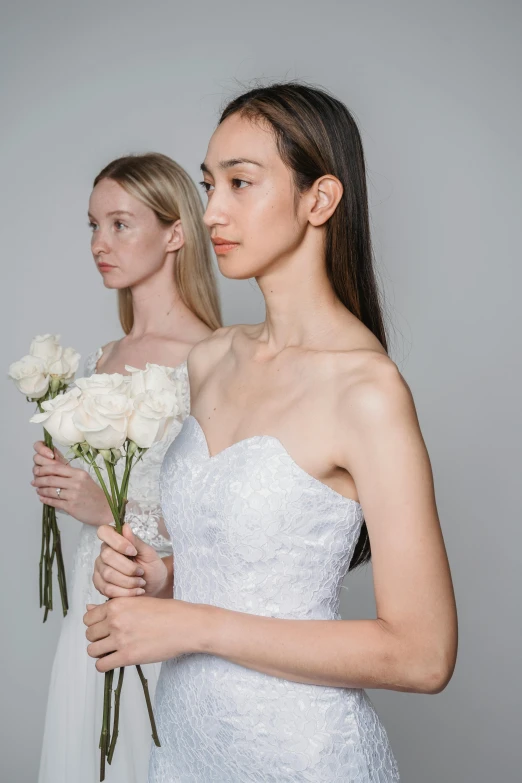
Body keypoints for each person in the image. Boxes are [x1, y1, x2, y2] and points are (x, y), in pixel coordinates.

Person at [87, 84, 458, 782]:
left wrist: (195, 625)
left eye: (240, 183)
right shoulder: (210, 359)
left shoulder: (367, 391)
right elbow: (241, 566)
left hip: (302, 757)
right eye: (207, 184)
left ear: (319, 200)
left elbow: (424, 654)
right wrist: (160, 579)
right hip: (185, 748)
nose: (212, 212)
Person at [33, 152, 221, 783]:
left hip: (160, 611)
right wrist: (62, 479)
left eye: (119, 224)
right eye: (92, 226)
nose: (98, 244)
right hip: (92, 602)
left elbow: (225, 522)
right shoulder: (105, 354)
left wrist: (103, 508)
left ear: (175, 233)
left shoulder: (211, 358)